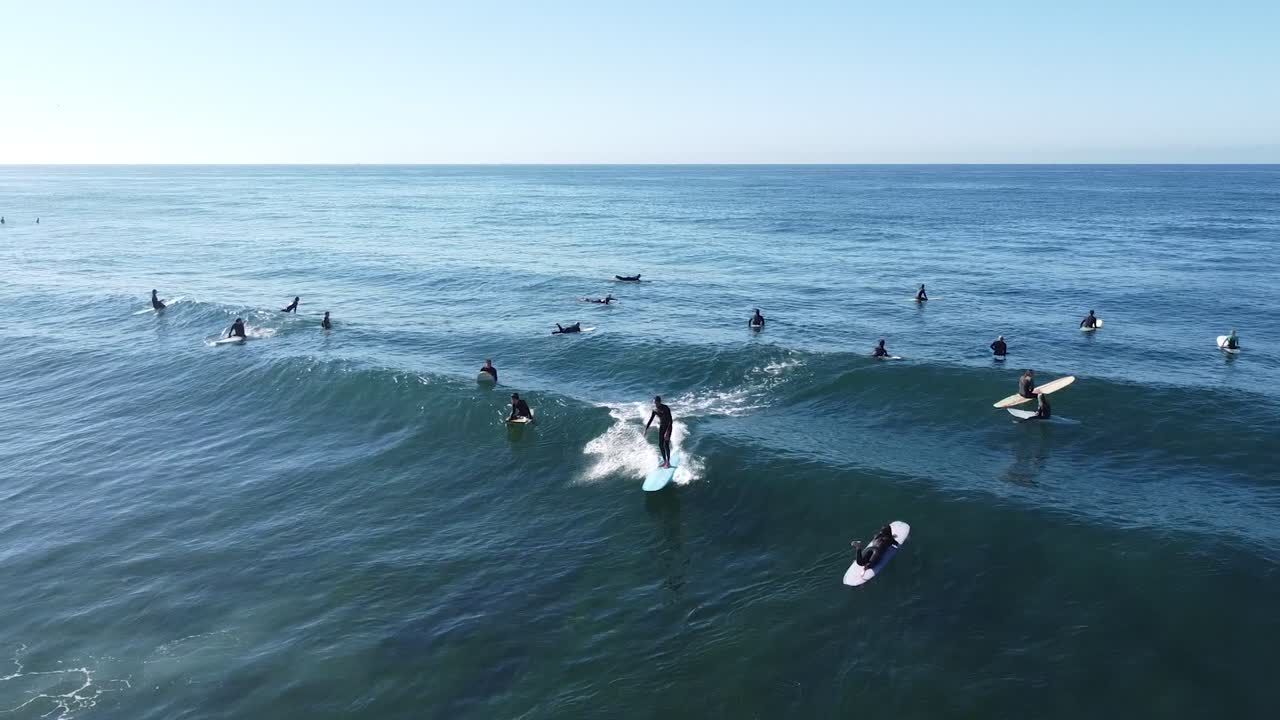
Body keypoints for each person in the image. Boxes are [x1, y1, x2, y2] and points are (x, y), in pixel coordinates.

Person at [644, 396, 674, 468]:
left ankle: (668, 462)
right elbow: (651, 420)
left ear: (659, 402)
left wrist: (667, 432)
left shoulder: (665, 408)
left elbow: (670, 421)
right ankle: (665, 461)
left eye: (656, 402)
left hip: (668, 427)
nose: (655, 404)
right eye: (654, 403)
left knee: (666, 445)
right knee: (660, 445)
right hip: (661, 427)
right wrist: (646, 429)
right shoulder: (655, 410)